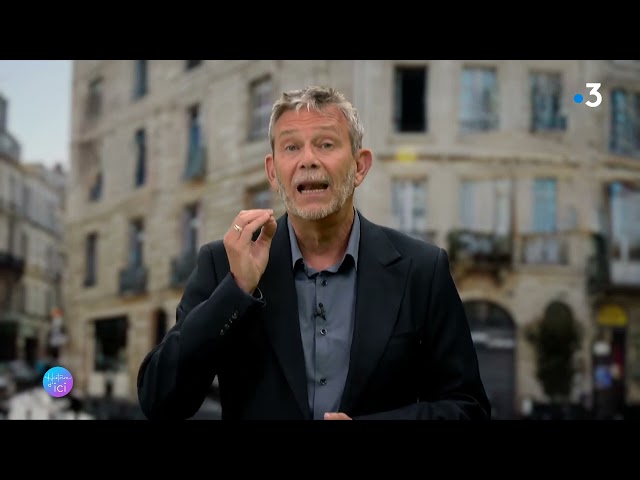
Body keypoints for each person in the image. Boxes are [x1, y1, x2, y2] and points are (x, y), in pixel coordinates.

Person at [137, 85, 491, 420]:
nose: (308, 159)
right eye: (291, 147)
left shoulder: (422, 269)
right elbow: (160, 401)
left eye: (325, 144)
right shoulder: (222, 264)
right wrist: (235, 290)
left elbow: (468, 407)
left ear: (360, 167)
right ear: (273, 174)